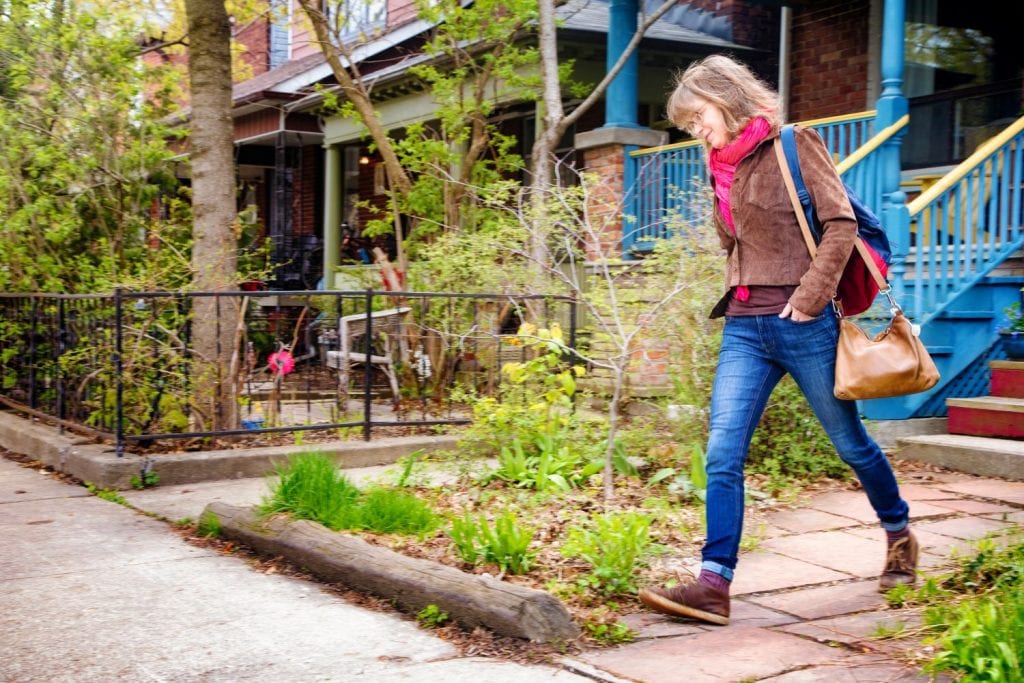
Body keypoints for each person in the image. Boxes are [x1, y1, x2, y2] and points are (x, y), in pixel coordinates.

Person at [638, 55, 917, 626]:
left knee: (850, 445)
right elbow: (737, 243)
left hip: (803, 324)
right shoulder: (719, 165)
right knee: (723, 451)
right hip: (744, 325)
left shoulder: (794, 145)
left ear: (725, 97)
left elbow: (841, 224)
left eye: (698, 117)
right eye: (688, 125)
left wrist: (811, 296)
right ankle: (714, 584)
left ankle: (899, 534)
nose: (696, 131)